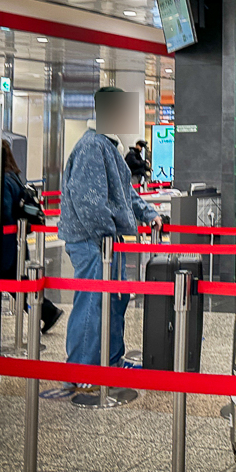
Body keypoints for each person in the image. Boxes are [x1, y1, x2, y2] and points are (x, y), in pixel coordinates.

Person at [58, 104, 162, 375]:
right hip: (94, 241)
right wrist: (104, 234)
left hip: (106, 241)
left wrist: (148, 213)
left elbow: (123, 192)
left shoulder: (106, 145)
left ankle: (112, 359)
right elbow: (87, 199)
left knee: (115, 299)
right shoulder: (92, 146)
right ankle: (82, 368)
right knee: (93, 303)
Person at [0, 140, 63, 345]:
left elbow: (4, 212)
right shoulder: (14, 177)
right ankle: (48, 311)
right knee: (18, 285)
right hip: (14, 244)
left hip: (1, 246)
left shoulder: (3, 180)